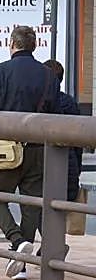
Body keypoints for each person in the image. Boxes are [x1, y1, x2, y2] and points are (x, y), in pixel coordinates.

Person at [0, 26, 58, 280]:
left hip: (7, 148)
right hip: (39, 147)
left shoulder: (0, 72)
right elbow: (54, 111)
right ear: (34, 45)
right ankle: (23, 264)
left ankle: (16, 242)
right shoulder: (48, 75)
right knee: (31, 205)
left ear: (11, 44)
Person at [43, 59, 82, 203]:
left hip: (45, 163)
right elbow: (78, 142)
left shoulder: (40, 103)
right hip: (69, 163)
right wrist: (77, 168)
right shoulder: (69, 103)